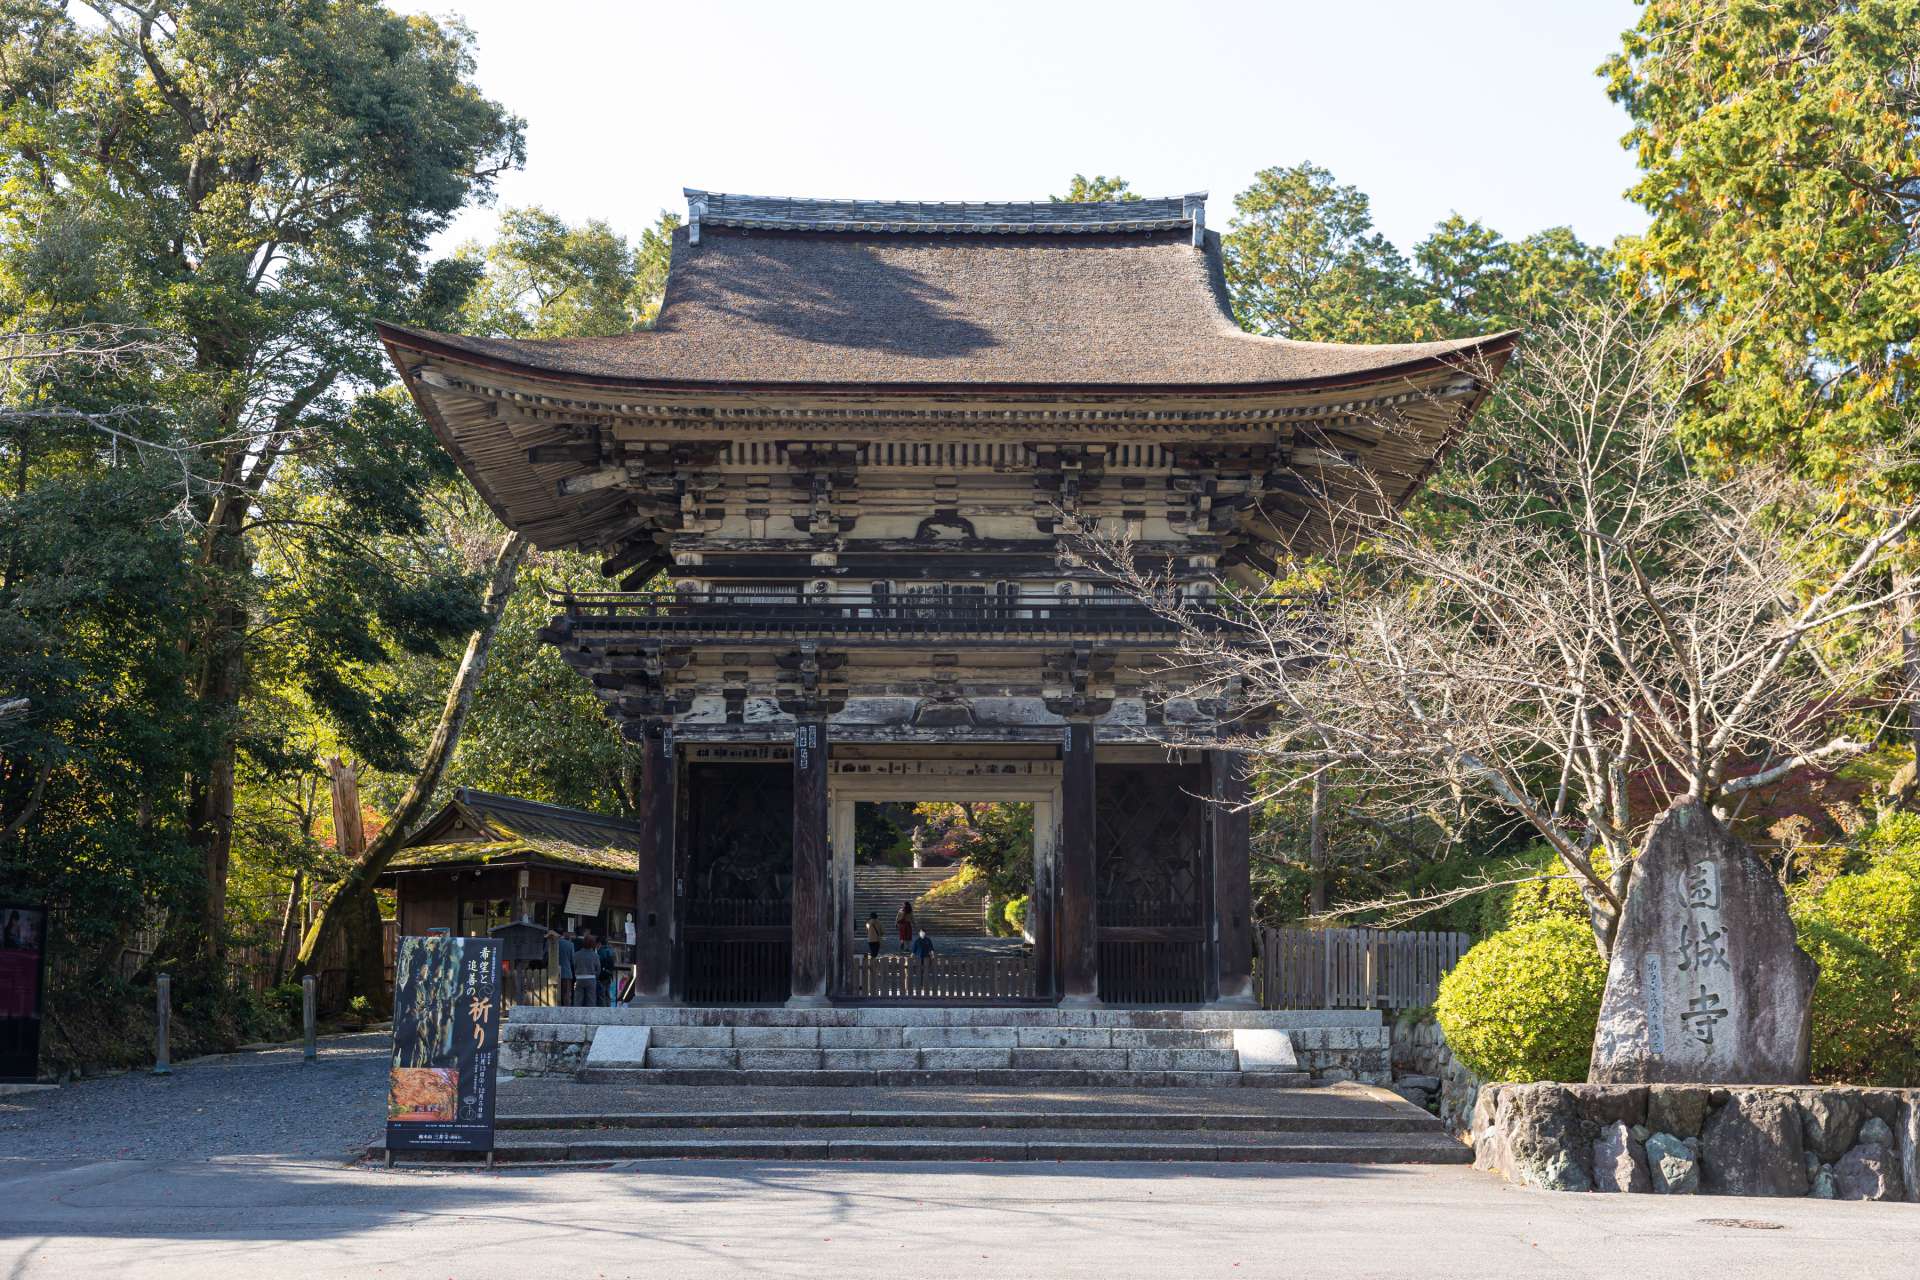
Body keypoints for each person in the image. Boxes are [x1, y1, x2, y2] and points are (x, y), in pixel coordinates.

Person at [571, 932, 600, 1008]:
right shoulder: (595, 955)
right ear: (593, 944)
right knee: (591, 1001)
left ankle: (577, 1016)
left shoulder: (576, 954)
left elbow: (574, 966)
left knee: (578, 1000)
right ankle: (590, 1017)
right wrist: (595, 976)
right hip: (591, 978)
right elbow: (598, 969)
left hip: (579, 978)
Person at [550, 927, 575, 1006]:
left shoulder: (550, 943)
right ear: (563, 934)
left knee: (553, 995)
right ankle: (566, 1012)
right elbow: (572, 960)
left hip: (552, 973)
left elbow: (545, 956)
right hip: (566, 972)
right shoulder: (570, 945)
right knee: (566, 995)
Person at [596, 934, 617, 1007]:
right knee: (607, 992)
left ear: (599, 943)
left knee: (602, 993)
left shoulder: (600, 952)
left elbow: (598, 964)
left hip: (602, 975)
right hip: (609, 974)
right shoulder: (611, 950)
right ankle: (609, 1006)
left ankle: (603, 1008)